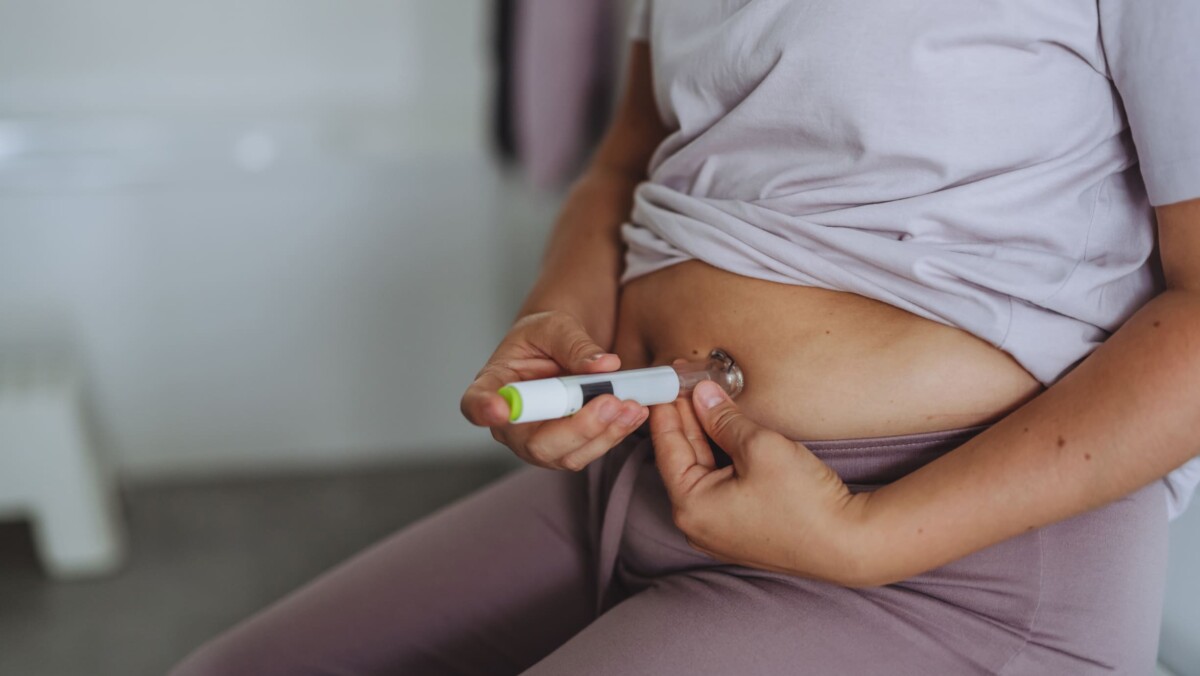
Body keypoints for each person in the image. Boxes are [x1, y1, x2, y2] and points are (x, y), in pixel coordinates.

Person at [173, 1, 1200, 673]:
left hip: (947, 557)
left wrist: (866, 534)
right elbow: (629, 158)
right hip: (642, 469)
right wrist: (563, 327)